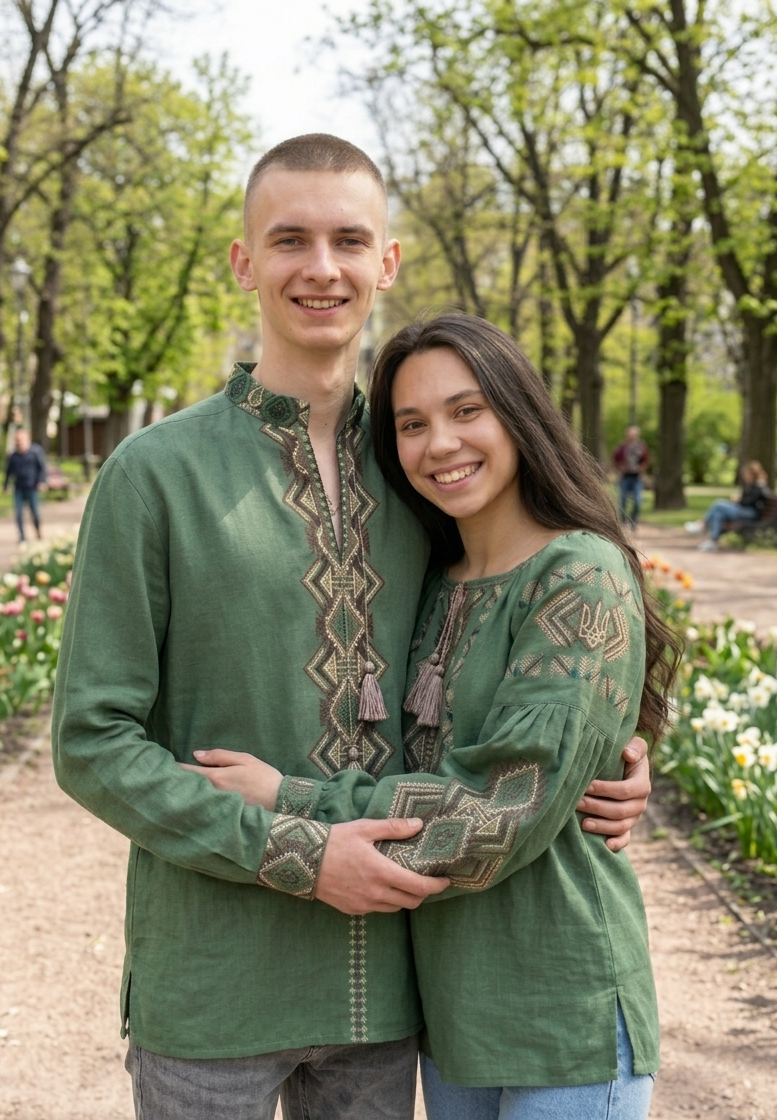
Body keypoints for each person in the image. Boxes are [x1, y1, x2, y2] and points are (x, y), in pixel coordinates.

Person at [53, 136, 652, 1120]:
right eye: (289, 239)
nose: (321, 268)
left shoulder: (424, 466)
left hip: (394, 999)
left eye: (348, 239)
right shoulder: (153, 474)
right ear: (245, 262)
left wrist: (615, 751)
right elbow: (90, 742)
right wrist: (292, 849)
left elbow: (525, 625)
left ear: (388, 260)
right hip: (213, 992)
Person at [196, 315, 678, 1118]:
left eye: (467, 411)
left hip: (564, 1011)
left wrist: (289, 800)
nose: (440, 444)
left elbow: (495, 818)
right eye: (411, 425)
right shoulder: (430, 578)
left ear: (518, 413)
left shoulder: (578, 577)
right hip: (451, 1022)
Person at [684, 461, 771, 551]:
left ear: (753, 473)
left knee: (719, 504)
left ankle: (702, 524)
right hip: (744, 510)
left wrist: (737, 501)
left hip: (750, 513)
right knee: (718, 514)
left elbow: (749, 502)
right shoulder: (751, 485)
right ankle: (713, 541)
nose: (745, 476)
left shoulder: (759, 486)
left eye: (747, 473)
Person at [3, 429, 47, 542]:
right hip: (19, 487)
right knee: (18, 513)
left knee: (35, 513)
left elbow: (42, 468)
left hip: (32, 487)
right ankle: (22, 536)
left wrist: (42, 481)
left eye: (21, 439)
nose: (19, 442)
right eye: (17, 440)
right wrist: (5, 485)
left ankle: (38, 531)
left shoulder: (35, 452)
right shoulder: (13, 455)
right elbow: (8, 471)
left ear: (27, 439)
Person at [612, 425, 650, 529]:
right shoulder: (622, 447)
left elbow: (646, 460)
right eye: (630, 434)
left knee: (638, 501)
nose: (632, 436)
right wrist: (620, 467)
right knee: (623, 500)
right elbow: (615, 460)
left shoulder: (641, 447)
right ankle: (622, 522)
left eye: (634, 435)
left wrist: (641, 468)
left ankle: (633, 521)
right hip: (625, 477)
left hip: (637, 478)